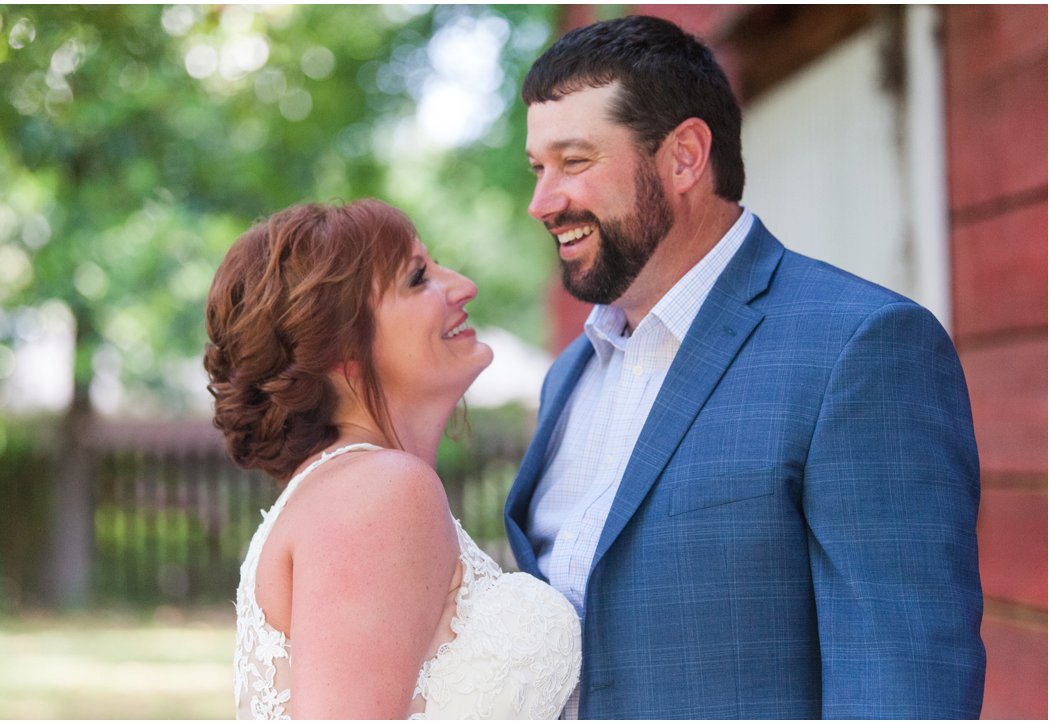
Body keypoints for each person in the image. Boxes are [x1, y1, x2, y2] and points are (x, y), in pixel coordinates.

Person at [505, 14, 984, 719]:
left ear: (684, 157)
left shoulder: (860, 348)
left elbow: (903, 685)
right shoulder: (569, 374)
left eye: (574, 162)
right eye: (537, 168)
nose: (543, 202)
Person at [205, 199, 581, 719]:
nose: (463, 286)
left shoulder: (351, 486)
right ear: (342, 350)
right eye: (418, 278)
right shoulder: (379, 491)